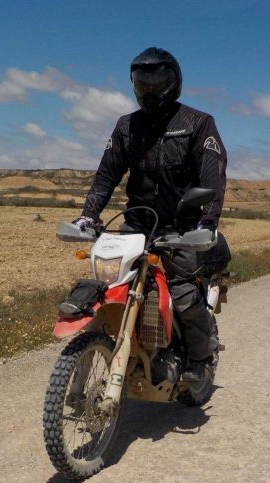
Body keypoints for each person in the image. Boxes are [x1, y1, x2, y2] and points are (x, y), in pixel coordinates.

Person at [71, 47, 227, 382]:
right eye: (143, 81)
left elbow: (213, 179)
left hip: (182, 230)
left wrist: (206, 224)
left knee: (183, 295)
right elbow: (106, 176)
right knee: (107, 285)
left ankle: (200, 360)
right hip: (136, 227)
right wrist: (88, 215)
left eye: (158, 81)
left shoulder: (198, 124)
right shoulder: (127, 127)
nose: (150, 89)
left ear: (174, 80)